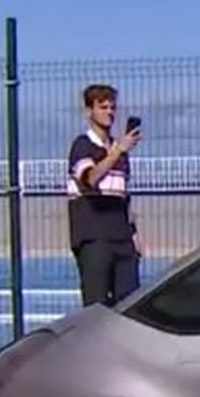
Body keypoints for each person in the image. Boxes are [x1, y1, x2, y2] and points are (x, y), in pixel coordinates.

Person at [67, 83, 142, 306]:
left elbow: (123, 196)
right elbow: (90, 179)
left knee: (128, 303)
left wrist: (134, 235)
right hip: (94, 238)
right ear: (89, 111)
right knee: (96, 305)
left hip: (122, 238)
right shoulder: (82, 146)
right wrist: (116, 151)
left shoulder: (119, 152)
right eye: (103, 107)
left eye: (112, 107)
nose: (109, 112)